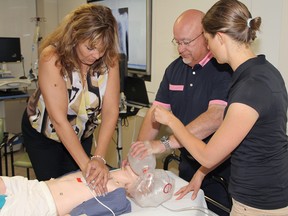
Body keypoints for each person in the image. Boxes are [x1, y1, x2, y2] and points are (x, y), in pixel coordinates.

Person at [151, 0, 288, 215]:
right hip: (262, 194)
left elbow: (207, 155)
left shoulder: (251, 87)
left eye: (207, 40)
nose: (208, 47)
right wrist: (200, 175)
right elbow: (231, 141)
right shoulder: (262, 72)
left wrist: (171, 121)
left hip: (259, 203)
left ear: (221, 37)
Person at [129, 9, 232, 215]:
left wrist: (163, 144)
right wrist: (139, 152)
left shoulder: (222, 69)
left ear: (205, 36)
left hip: (221, 170)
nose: (180, 49)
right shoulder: (174, 70)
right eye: (177, 42)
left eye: (186, 42)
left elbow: (215, 117)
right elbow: (155, 113)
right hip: (188, 164)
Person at [21, 3, 120, 196]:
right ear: (75, 35)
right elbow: (59, 119)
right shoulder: (52, 57)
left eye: (102, 48)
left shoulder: (109, 59)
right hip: (45, 135)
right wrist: (87, 166)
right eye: (90, 48)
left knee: (82, 188)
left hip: (82, 132)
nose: (96, 55)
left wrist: (98, 157)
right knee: (58, 191)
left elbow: (111, 110)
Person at [0, 155, 174, 216]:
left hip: (39, 204)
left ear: (144, 184)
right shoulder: (103, 169)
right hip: (30, 186)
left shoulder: (117, 196)